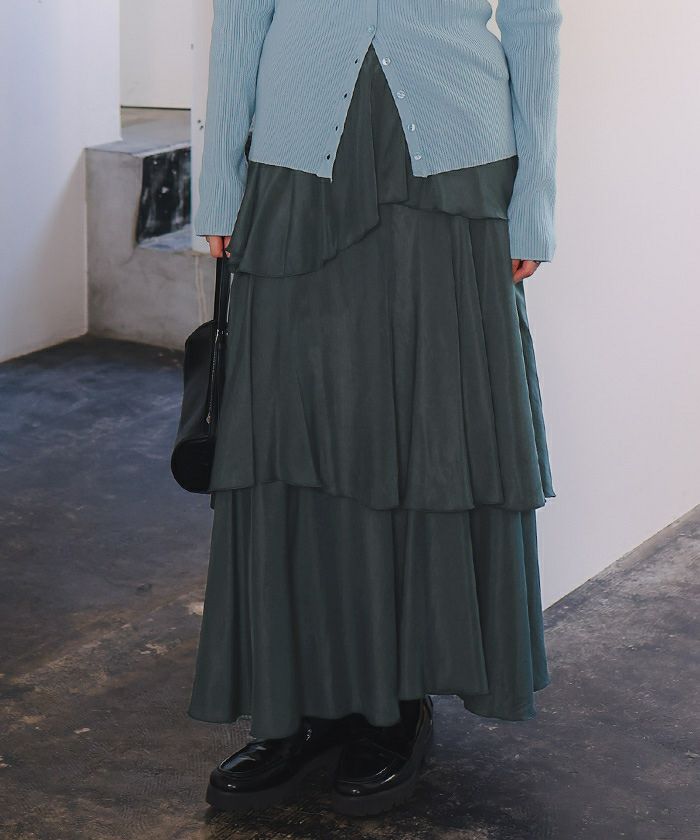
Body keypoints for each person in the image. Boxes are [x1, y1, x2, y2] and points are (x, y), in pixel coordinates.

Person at [187, 0, 562, 818]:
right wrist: (216, 184)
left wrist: (536, 196)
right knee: (291, 440)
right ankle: (299, 707)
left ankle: (397, 704)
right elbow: (242, 17)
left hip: (452, 169)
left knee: (427, 439)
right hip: (294, 163)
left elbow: (535, 18)